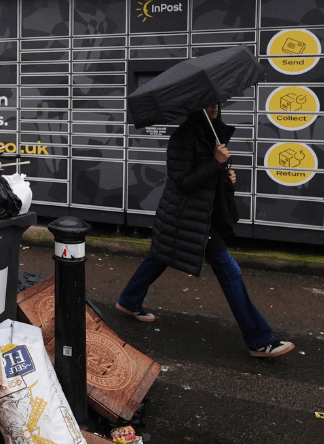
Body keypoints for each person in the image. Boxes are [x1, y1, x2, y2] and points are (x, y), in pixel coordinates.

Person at [115, 104, 295, 358]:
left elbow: (210, 180)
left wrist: (227, 178)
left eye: (216, 102)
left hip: (201, 215)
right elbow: (182, 182)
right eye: (208, 103)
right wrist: (215, 162)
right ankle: (260, 340)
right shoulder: (182, 138)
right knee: (229, 270)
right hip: (187, 217)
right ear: (195, 107)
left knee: (160, 255)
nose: (214, 107)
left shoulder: (214, 134)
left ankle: (128, 300)